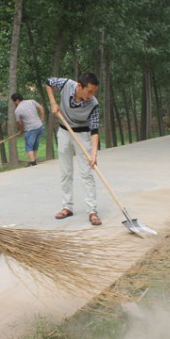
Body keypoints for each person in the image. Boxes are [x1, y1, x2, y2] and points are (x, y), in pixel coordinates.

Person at [46, 73, 102, 226]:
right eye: (89, 91)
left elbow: (95, 131)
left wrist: (93, 154)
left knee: (87, 173)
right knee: (66, 171)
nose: (92, 95)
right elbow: (48, 81)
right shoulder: (66, 85)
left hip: (83, 135)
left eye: (94, 92)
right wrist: (53, 102)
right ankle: (67, 207)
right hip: (64, 130)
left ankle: (92, 210)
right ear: (79, 86)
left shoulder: (93, 104)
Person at [11, 93, 45, 167]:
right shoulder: (32, 101)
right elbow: (41, 109)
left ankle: (33, 163)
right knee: (35, 145)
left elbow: (19, 123)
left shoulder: (17, 110)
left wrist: (21, 130)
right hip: (39, 127)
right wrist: (41, 120)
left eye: (13, 101)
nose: (13, 103)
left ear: (17, 100)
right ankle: (33, 160)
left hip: (30, 129)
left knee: (29, 146)